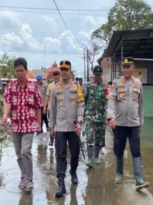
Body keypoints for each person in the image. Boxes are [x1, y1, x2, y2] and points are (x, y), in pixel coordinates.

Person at [107, 57, 149, 190]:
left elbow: (140, 104)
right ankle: (119, 173)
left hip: (134, 124)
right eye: (124, 67)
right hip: (119, 123)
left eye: (128, 66)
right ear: (121, 68)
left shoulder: (138, 83)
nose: (126, 69)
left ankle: (138, 179)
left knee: (136, 150)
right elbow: (111, 100)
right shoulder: (116, 83)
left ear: (133, 68)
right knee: (119, 149)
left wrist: (141, 121)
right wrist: (111, 117)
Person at [1, 57, 43, 192]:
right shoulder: (11, 87)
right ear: (15, 71)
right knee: (19, 154)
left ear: (26, 71)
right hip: (16, 125)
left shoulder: (33, 86)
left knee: (26, 151)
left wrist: (39, 124)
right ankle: (23, 176)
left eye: (22, 71)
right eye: (17, 71)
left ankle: (29, 179)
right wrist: (5, 115)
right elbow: (7, 102)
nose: (19, 73)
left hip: (29, 125)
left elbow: (38, 106)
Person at [49, 60, 84, 197]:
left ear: (70, 72)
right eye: (62, 69)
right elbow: (52, 109)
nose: (64, 72)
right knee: (60, 154)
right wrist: (51, 126)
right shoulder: (54, 89)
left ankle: (73, 171)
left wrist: (80, 122)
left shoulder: (77, 88)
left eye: (66, 69)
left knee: (75, 153)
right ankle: (61, 183)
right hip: (61, 127)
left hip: (74, 126)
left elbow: (81, 105)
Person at [84, 65, 107, 168]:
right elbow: (84, 99)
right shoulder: (88, 86)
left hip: (101, 116)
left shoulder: (105, 87)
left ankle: (96, 156)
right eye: (95, 74)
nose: (97, 76)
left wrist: (107, 116)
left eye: (99, 74)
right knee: (89, 136)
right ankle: (89, 159)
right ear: (93, 75)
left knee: (99, 138)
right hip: (90, 116)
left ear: (101, 74)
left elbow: (108, 101)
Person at [44, 71, 60, 146]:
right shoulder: (50, 86)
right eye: (55, 78)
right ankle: (51, 139)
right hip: (51, 108)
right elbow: (47, 97)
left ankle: (59, 139)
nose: (56, 79)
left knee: (59, 124)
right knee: (51, 124)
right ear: (53, 77)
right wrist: (45, 107)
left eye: (57, 78)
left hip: (60, 109)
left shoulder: (61, 85)